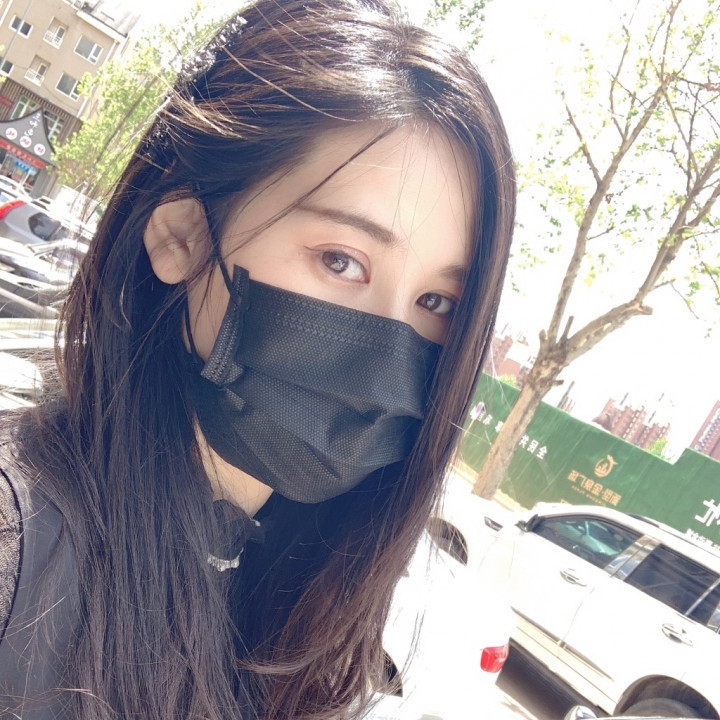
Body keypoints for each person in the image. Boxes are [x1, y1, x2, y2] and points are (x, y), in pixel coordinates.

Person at [0, 0, 516, 718]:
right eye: (340, 260)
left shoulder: (311, 618)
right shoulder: (18, 542)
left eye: (437, 303)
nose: (384, 358)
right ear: (183, 236)